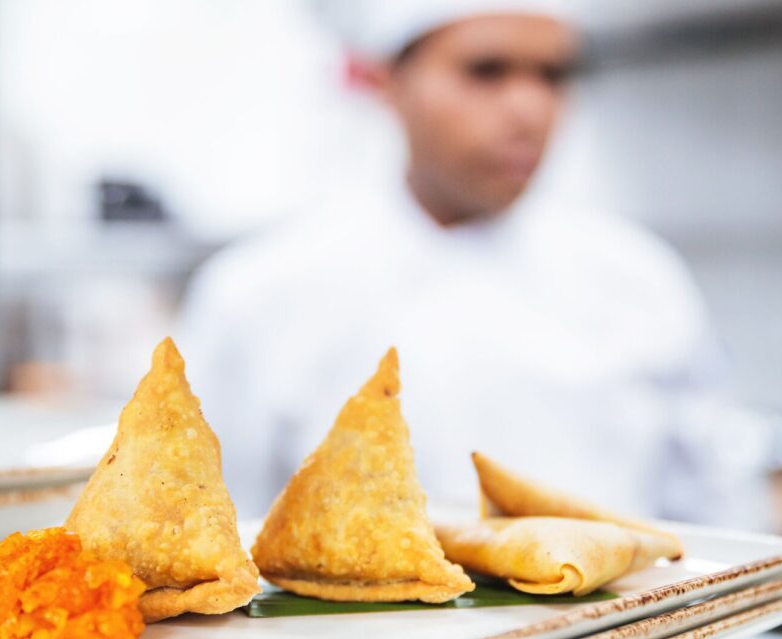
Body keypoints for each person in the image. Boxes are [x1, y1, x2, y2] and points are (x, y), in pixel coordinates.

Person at [179, 0, 725, 522]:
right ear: (390, 81)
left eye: (553, 75)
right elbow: (213, 530)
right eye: (485, 71)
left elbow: (711, 521)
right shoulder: (262, 291)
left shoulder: (637, 279)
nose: (529, 109)